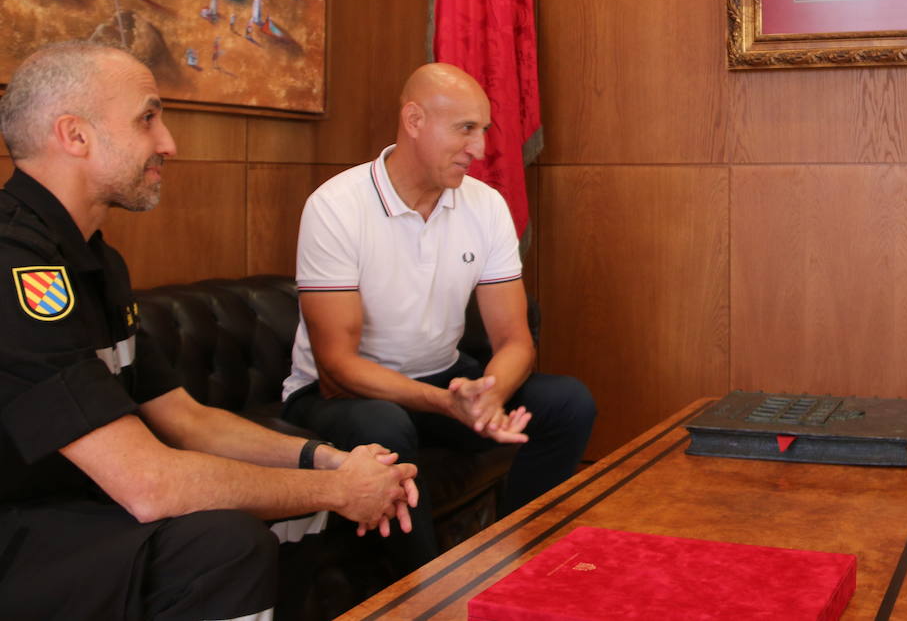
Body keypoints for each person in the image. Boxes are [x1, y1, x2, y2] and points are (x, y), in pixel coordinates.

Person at [0, 41, 419, 620]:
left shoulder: (96, 263)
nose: (168, 142)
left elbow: (186, 418)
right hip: (19, 533)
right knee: (226, 545)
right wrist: (342, 488)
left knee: (305, 511)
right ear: (75, 136)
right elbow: (147, 483)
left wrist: (327, 461)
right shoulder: (15, 268)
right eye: (148, 118)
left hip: (76, 509)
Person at [281, 63, 596, 572]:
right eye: (465, 129)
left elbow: (515, 340)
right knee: (386, 425)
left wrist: (489, 394)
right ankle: (423, 595)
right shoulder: (336, 206)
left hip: (440, 384)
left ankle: (518, 561)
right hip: (335, 394)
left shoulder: (486, 205)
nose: (480, 148)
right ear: (414, 120)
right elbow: (337, 366)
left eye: (483, 131)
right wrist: (446, 404)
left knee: (566, 403)